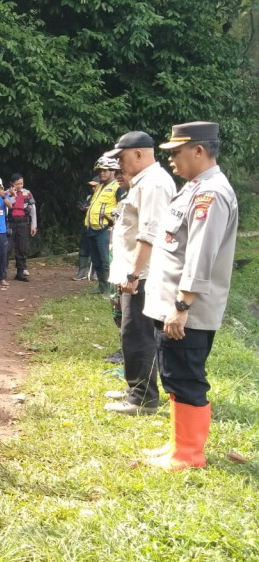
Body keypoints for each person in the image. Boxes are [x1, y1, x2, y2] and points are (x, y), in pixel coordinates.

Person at [139, 121, 238, 471]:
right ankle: (177, 446)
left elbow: (199, 255)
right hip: (174, 306)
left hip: (186, 310)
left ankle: (189, 455)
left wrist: (182, 306)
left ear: (199, 150)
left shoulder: (211, 194)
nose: (171, 159)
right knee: (175, 376)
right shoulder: (195, 188)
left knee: (187, 376)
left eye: (176, 152)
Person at [100, 132, 177, 415]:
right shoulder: (142, 183)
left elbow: (150, 233)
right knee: (130, 332)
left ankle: (142, 399)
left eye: (121, 157)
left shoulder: (154, 184)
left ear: (140, 154)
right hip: (135, 273)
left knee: (139, 335)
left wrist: (133, 275)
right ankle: (135, 387)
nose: (119, 164)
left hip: (143, 275)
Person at [84, 156, 122, 293]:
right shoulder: (100, 187)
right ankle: (102, 287)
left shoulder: (117, 187)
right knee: (97, 260)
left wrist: (111, 220)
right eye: (100, 171)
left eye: (105, 170)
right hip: (92, 228)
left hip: (105, 229)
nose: (102, 173)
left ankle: (111, 289)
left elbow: (122, 207)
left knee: (107, 261)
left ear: (113, 171)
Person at [6, 173, 37, 282]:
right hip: (10, 223)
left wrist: (34, 225)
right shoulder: (6, 193)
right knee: (7, 247)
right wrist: (11, 195)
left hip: (23, 223)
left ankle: (20, 272)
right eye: (17, 184)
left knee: (22, 247)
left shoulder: (27, 193)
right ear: (12, 184)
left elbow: (32, 209)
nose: (19, 186)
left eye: (21, 183)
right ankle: (3, 272)